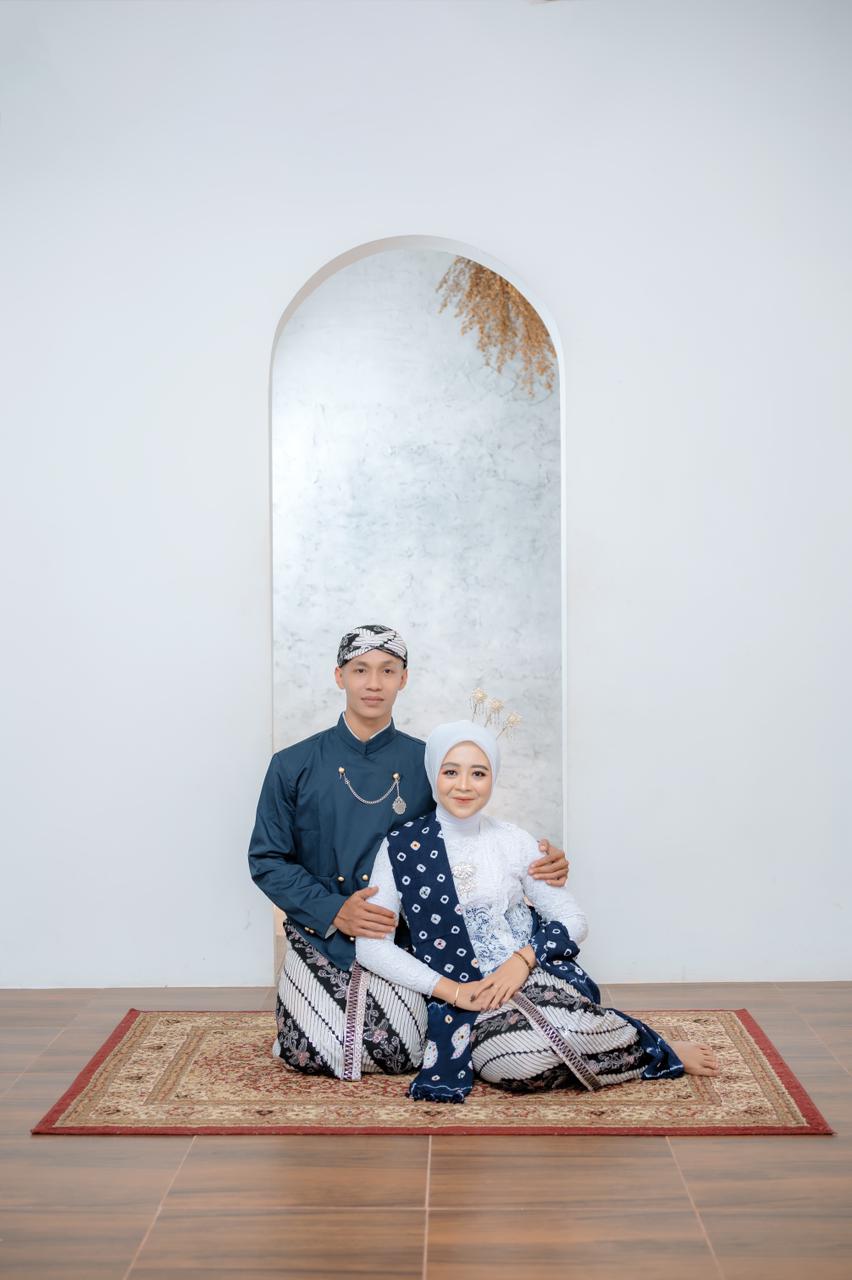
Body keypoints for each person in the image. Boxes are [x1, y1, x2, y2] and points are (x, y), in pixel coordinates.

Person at [248, 625, 570, 1080]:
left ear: (404, 678)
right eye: (360, 670)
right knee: (311, 1053)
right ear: (339, 676)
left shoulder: (429, 764)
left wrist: (541, 860)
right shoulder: (291, 764)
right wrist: (334, 910)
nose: (373, 683)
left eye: (387, 671)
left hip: (407, 937)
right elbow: (267, 859)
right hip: (321, 932)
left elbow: (471, 828)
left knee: (398, 1051)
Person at [356, 719, 718, 1101]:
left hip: (530, 975)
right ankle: (630, 1046)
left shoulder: (513, 841)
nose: (464, 785)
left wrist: (522, 961)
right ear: (433, 774)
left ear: (493, 778)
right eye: (451, 772)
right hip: (458, 996)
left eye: (478, 773)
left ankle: (653, 1047)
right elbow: (371, 945)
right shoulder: (400, 847)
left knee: (561, 1030)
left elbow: (573, 920)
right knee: (517, 1066)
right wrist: (456, 992)